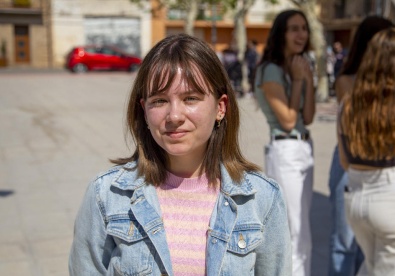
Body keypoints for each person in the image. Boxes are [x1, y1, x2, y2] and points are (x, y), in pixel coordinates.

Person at [69, 34, 292, 276]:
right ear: (144, 111)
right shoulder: (107, 196)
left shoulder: (262, 200)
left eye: (190, 98)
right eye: (160, 100)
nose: (174, 116)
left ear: (221, 107)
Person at [328, 15, 393, 276]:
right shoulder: (358, 90)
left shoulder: (350, 102)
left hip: (357, 179)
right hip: (379, 180)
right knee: (346, 246)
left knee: (371, 264)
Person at [253, 10, 315, 276]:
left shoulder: (295, 67)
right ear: (281, 34)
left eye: (304, 28)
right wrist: (299, 79)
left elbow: (309, 116)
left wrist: (307, 78)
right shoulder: (270, 70)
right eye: (294, 29)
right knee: (294, 230)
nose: (301, 34)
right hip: (285, 147)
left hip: (304, 147)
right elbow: (288, 120)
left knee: (304, 231)